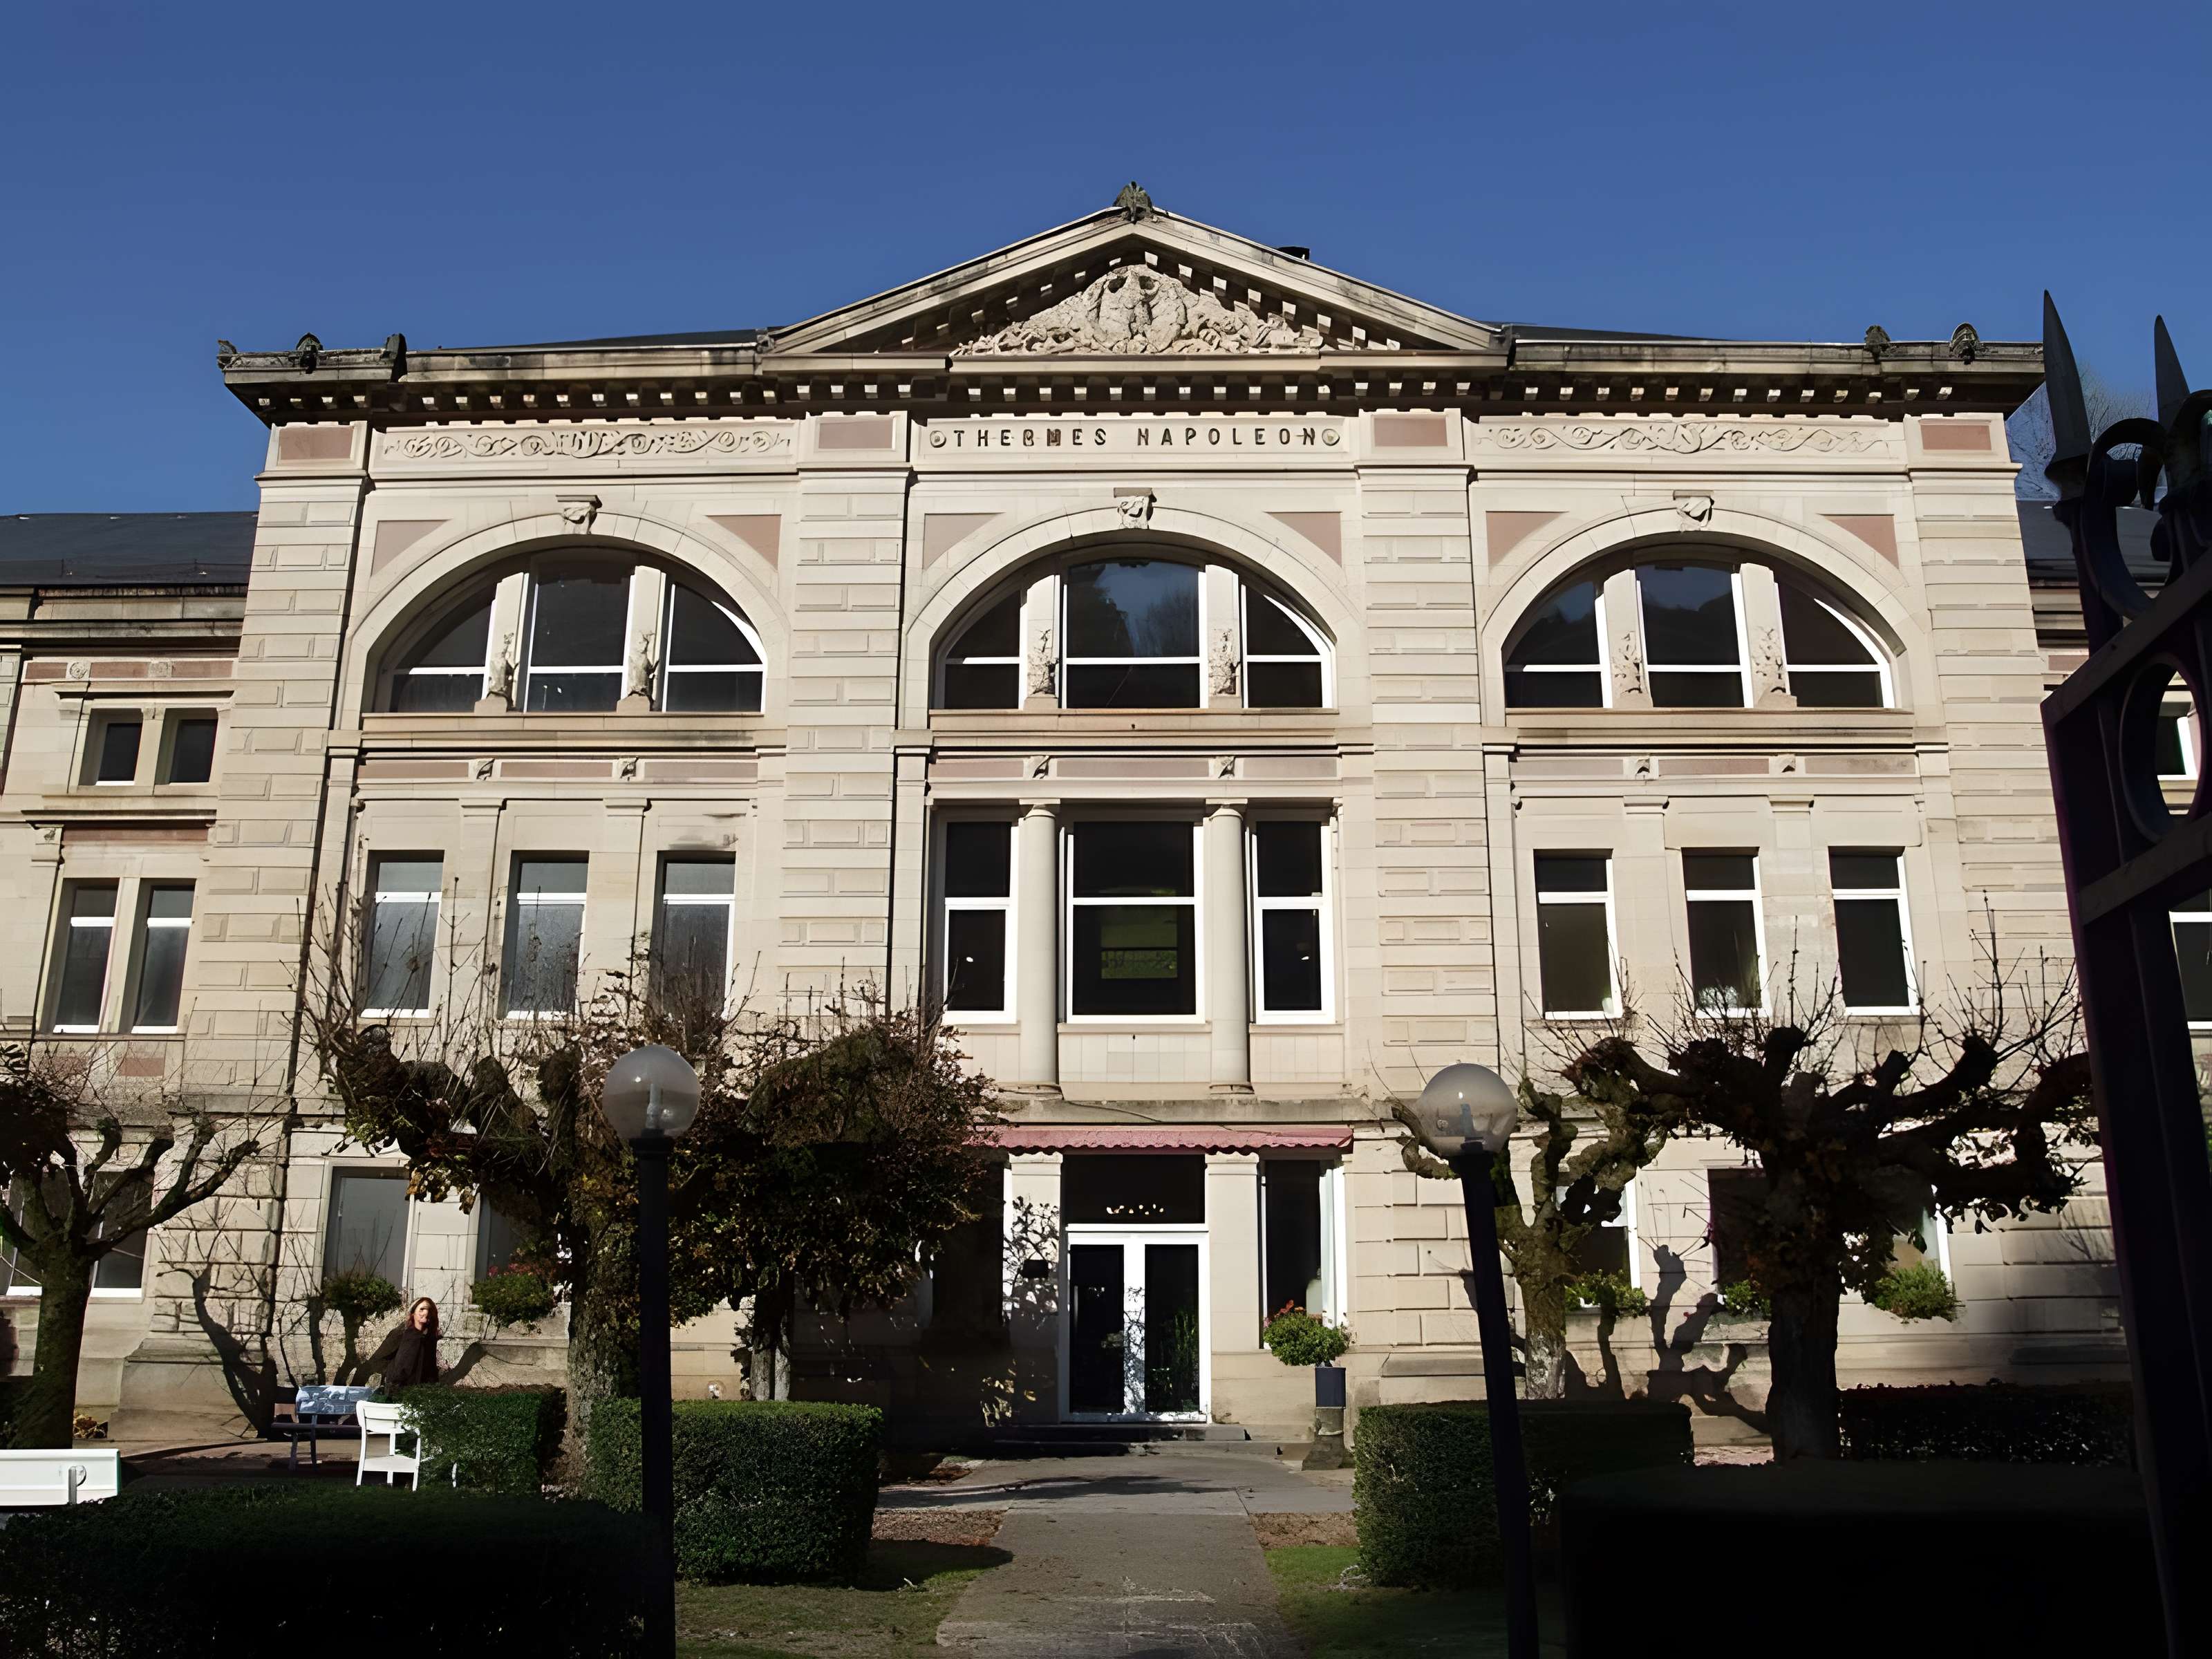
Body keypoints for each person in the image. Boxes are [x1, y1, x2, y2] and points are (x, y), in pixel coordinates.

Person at [381, 1296, 441, 1389]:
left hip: (423, 1391)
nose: (425, 1313)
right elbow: (401, 1364)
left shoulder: (430, 1338)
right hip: (403, 1389)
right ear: (413, 1313)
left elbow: (431, 1366)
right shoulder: (409, 1335)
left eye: (429, 1310)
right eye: (422, 1309)